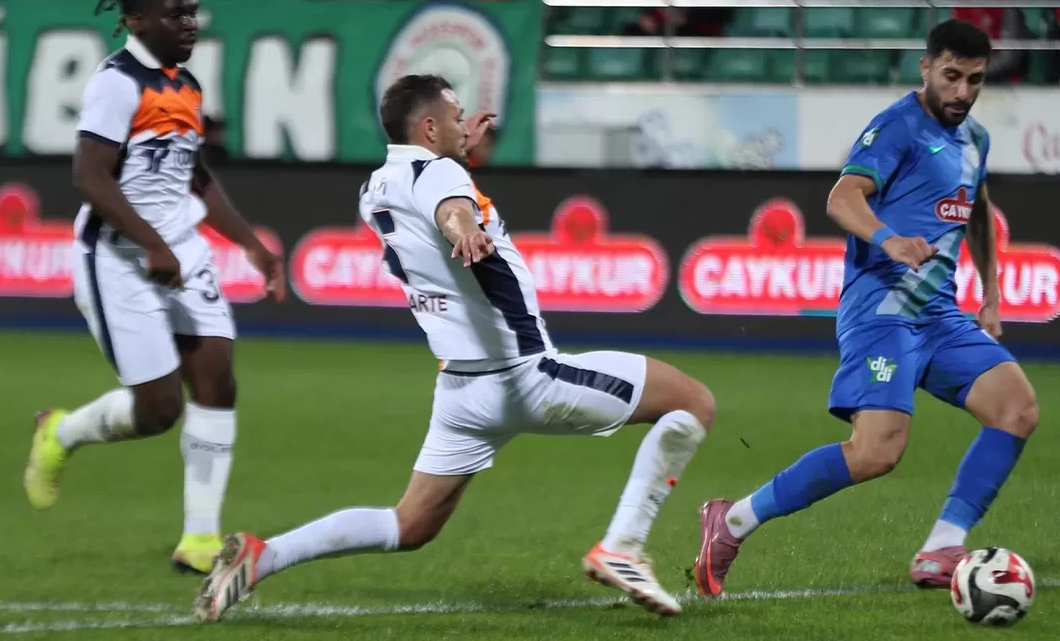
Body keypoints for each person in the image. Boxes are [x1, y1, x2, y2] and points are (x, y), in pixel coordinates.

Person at [194, 75, 716, 622]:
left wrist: (455, 156)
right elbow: (449, 207)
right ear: (427, 126)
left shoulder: (377, 186)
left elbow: (434, 193)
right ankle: (623, 547)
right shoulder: (440, 173)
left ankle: (260, 558)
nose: (465, 124)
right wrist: (462, 225)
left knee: (409, 525)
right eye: (453, 114)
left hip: (462, 393)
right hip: (525, 376)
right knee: (693, 402)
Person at [692, 19, 1040, 597]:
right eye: (951, 76)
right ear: (926, 68)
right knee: (877, 452)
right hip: (882, 307)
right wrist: (889, 240)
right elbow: (842, 196)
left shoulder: (976, 139)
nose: (961, 92)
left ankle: (940, 548)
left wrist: (993, 295)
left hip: (939, 313)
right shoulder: (897, 127)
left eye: (974, 80)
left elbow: (976, 207)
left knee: (1017, 409)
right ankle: (730, 522)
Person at [22, 0, 285, 574]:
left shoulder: (185, 87)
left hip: (177, 253)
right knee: (158, 409)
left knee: (218, 377)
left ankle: (199, 539)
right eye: (175, 13)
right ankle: (61, 433)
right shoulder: (116, 83)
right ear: (137, 18)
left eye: (192, 12)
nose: (188, 23)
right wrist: (152, 242)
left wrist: (251, 245)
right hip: (117, 257)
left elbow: (194, 177)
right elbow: (90, 177)